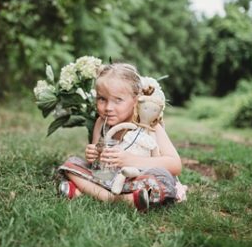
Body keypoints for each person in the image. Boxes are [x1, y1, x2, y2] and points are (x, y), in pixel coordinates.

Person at [56, 63, 185, 212]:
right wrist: (93, 156)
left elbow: (175, 165)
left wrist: (130, 160)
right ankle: (120, 200)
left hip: (137, 180)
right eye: (102, 99)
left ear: (136, 100)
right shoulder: (101, 123)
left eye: (118, 100)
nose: (108, 108)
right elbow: (98, 165)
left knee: (162, 180)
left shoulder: (150, 125)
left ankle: (87, 193)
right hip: (108, 179)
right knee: (71, 165)